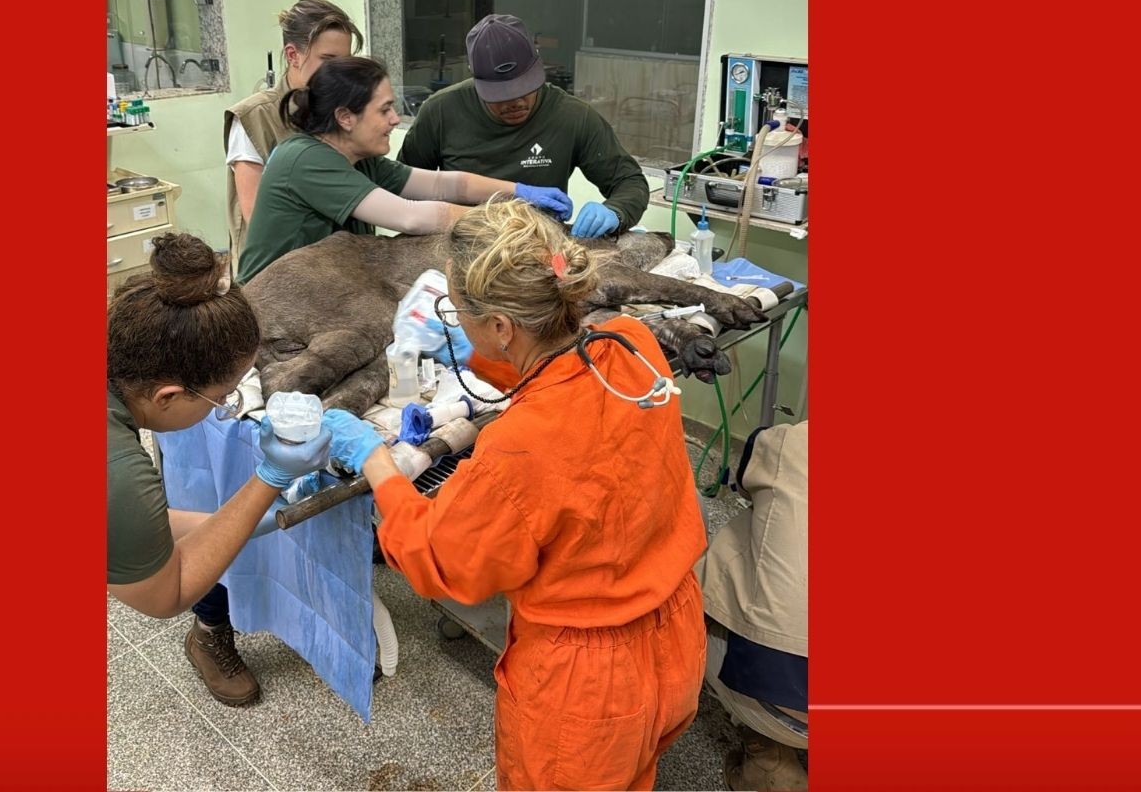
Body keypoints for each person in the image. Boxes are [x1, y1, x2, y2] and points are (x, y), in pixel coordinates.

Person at [320, 198, 708, 790]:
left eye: (456, 310)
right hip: (677, 636)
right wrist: (492, 357)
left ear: (501, 325)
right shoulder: (631, 343)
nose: (454, 321)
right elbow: (556, 372)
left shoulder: (518, 450)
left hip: (586, 686)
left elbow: (440, 559)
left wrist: (377, 462)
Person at [106, 233, 338, 706]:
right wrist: (269, 478)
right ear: (167, 396)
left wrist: (263, 520)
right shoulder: (119, 472)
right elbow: (163, 595)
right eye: (223, 396)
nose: (227, 405)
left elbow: (136, 529)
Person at [234, 56, 574, 285]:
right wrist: (510, 220)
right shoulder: (305, 159)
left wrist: (519, 191)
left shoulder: (358, 158)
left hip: (321, 290)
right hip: (271, 305)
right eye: (384, 110)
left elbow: (446, 184)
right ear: (345, 117)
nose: (395, 119)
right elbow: (410, 216)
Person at [398, 13, 650, 240]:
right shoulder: (441, 112)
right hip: (461, 241)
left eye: (524, 88)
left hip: (537, 247)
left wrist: (614, 211)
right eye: (501, 95)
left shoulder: (572, 116)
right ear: (476, 79)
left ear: (537, 68)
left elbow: (630, 182)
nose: (516, 102)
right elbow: (402, 188)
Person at [701, 420, 810, 790]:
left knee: (737, 532)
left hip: (779, 705)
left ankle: (768, 757)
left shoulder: (791, 442)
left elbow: (746, 478)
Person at [223, 0, 363, 267]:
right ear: (292, 55)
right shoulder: (255, 117)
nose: (339, 72)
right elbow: (259, 220)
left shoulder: (342, 112)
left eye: (345, 61)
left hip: (338, 266)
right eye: (328, 60)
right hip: (277, 273)